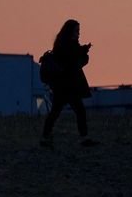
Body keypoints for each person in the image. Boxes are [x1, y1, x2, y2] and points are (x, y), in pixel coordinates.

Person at [40, 19, 98, 148]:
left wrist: (82, 50)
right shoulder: (67, 44)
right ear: (70, 31)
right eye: (77, 30)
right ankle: (84, 138)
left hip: (63, 85)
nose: (79, 33)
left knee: (57, 111)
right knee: (78, 110)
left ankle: (45, 138)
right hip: (67, 85)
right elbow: (71, 60)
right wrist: (83, 51)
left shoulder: (64, 43)